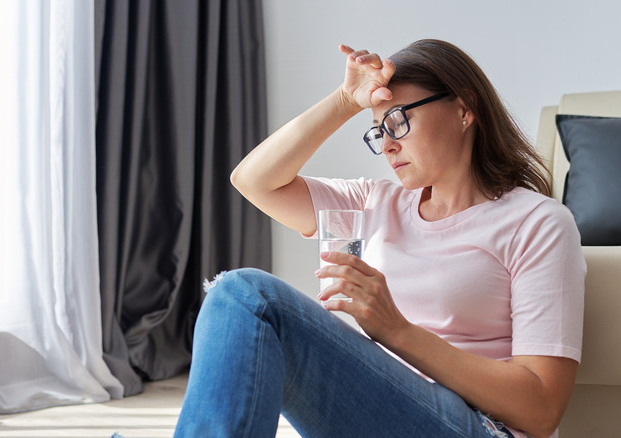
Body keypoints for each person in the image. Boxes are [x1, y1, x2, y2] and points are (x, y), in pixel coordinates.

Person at [174, 39, 585, 438]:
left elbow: (542, 409)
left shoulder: (537, 222)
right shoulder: (372, 202)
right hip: (384, 410)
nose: (387, 145)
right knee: (235, 296)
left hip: (479, 427)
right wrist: (345, 100)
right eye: (377, 131)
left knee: (251, 296)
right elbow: (253, 181)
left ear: (464, 109)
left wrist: (397, 331)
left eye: (399, 121)